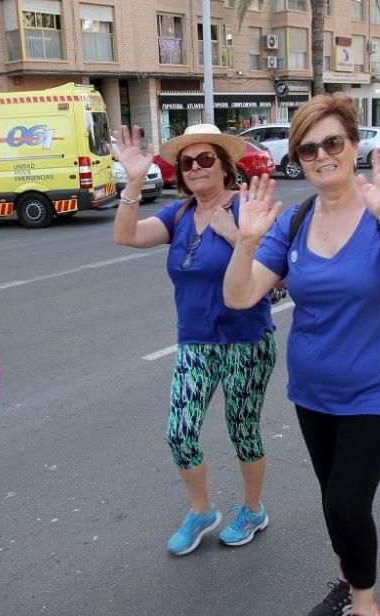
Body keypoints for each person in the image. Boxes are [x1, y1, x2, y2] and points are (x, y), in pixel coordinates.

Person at [222, 94, 380, 616]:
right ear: (297, 157)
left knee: (349, 502)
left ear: (355, 145)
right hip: (314, 391)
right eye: (308, 147)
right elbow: (241, 296)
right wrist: (248, 239)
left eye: (333, 142)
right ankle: (348, 578)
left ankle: (367, 609)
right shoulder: (297, 220)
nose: (322, 155)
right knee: (334, 502)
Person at [111, 123, 277, 556]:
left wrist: (230, 231)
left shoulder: (248, 207)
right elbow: (126, 235)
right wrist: (132, 181)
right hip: (195, 343)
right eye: (187, 162)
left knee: (243, 431)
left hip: (247, 340)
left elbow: (271, 265)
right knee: (180, 433)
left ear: (225, 167)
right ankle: (202, 510)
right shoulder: (179, 215)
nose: (196, 168)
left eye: (206, 159)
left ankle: (253, 509)